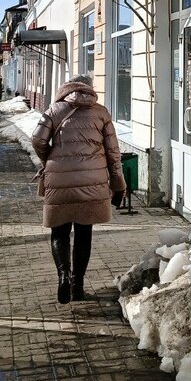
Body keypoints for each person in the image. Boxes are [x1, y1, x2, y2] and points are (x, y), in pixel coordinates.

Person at [31, 74, 126, 304]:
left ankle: (63, 274)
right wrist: (118, 183)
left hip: (60, 180)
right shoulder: (101, 113)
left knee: (59, 232)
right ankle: (77, 286)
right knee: (84, 234)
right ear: (90, 89)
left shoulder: (54, 111)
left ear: (67, 88)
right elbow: (113, 153)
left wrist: (49, 158)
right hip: (92, 181)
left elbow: (37, 139)